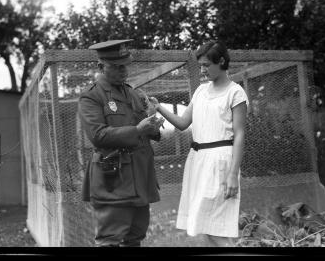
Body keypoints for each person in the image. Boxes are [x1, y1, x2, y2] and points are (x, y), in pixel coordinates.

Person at [149, 40, 248, 247]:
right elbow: (183, 123)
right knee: (204, 225)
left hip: (222, 160)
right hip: (198, 160)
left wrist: (232, 175)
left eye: (206, 65)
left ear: (221, 61)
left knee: (216, 228)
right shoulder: (201, 91)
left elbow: (239, 135)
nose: (203, 70)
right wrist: (159, 108)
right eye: (201, 65)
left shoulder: (235, 92)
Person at [78, 39, 165, 247]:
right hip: (114, 179)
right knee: (110, 239)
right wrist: (137, 130)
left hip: (140, 177)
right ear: (101, 66)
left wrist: (152, 126)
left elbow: (143, 128)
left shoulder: (133, 93)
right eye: (116, 67)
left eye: (125, 65)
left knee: (135, 237)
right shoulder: (91, 97)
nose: (123, 70)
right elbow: (98, 135)